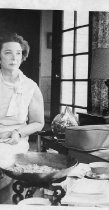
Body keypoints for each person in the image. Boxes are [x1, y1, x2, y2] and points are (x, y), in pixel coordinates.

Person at [0, 32, 44, 166]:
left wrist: (18, 133)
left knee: (4, 158)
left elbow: (38, 122)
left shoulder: (31, 87)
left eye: (18, 53)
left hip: (15, 141)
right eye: (8, 52)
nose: (14, 57)